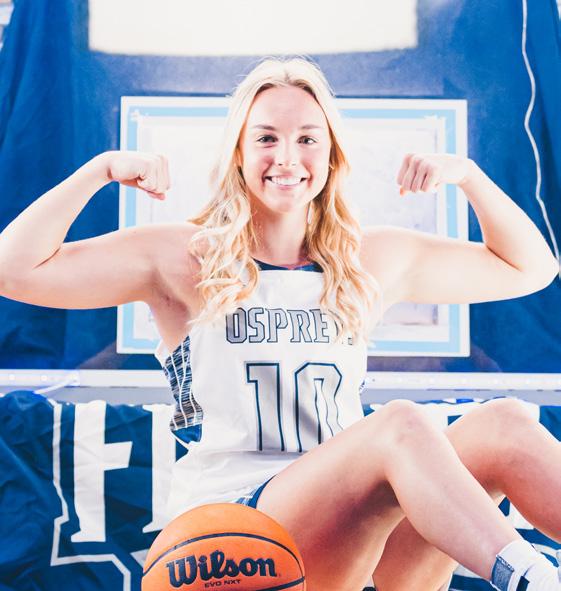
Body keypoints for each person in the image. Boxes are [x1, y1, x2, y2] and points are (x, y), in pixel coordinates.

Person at [0, 57, 560, 591]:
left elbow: (532, 268)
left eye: (307, 139)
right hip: (232, 531)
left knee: (504, 424)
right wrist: (99, 171)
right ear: (238, 153)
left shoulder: (366, 260)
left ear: (332, 155)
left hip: (354, 534)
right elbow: (13, 270)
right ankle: (533, 579)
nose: (287, 158)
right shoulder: (184, 256)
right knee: (399, 424)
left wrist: (468, 176)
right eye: (266, 138)